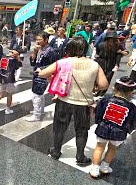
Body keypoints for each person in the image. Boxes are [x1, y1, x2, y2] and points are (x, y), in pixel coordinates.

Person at [38, 37, 108, 165]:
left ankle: (56, 152)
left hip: (64, 101)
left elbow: (42, 73)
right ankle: (80, 157)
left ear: (70, 48)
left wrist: (52, 78)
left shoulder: (63, 62)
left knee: (59, 128)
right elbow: (104, 84)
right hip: (83, 104)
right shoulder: (94, 65)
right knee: (82, 130)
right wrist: (93, 85)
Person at [90, 77, 136, 178]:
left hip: (103, 128)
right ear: (131, 92)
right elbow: (132, 121)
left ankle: (95, 168)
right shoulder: (131, 107)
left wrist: (99, 122)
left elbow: (98, 112)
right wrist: (127, 130)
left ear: (114, 87)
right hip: (119, 132)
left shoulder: (106, 100)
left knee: (99, 147)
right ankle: (105, 167)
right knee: (112, 149)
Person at [24, 31, 58, 122]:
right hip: (37, 73)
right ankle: (40, 111)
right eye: (37, 39)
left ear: (46, 40)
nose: (38, 41)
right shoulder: (39, 49)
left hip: (43, 75)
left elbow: (54, 65)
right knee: (39, 94)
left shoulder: (51, 51)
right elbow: (33, 62)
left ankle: (36, 115)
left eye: (40, 39)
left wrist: (43, 69)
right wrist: (34, 52)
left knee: (36, 95)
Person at [0, 49, 21, 115]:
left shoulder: (3, 58)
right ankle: (8, 109)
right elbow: (19, 66)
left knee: (0, 94)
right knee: (9, 94)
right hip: (9, 79)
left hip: (1, 78)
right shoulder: (13, 60)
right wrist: (18, 57)